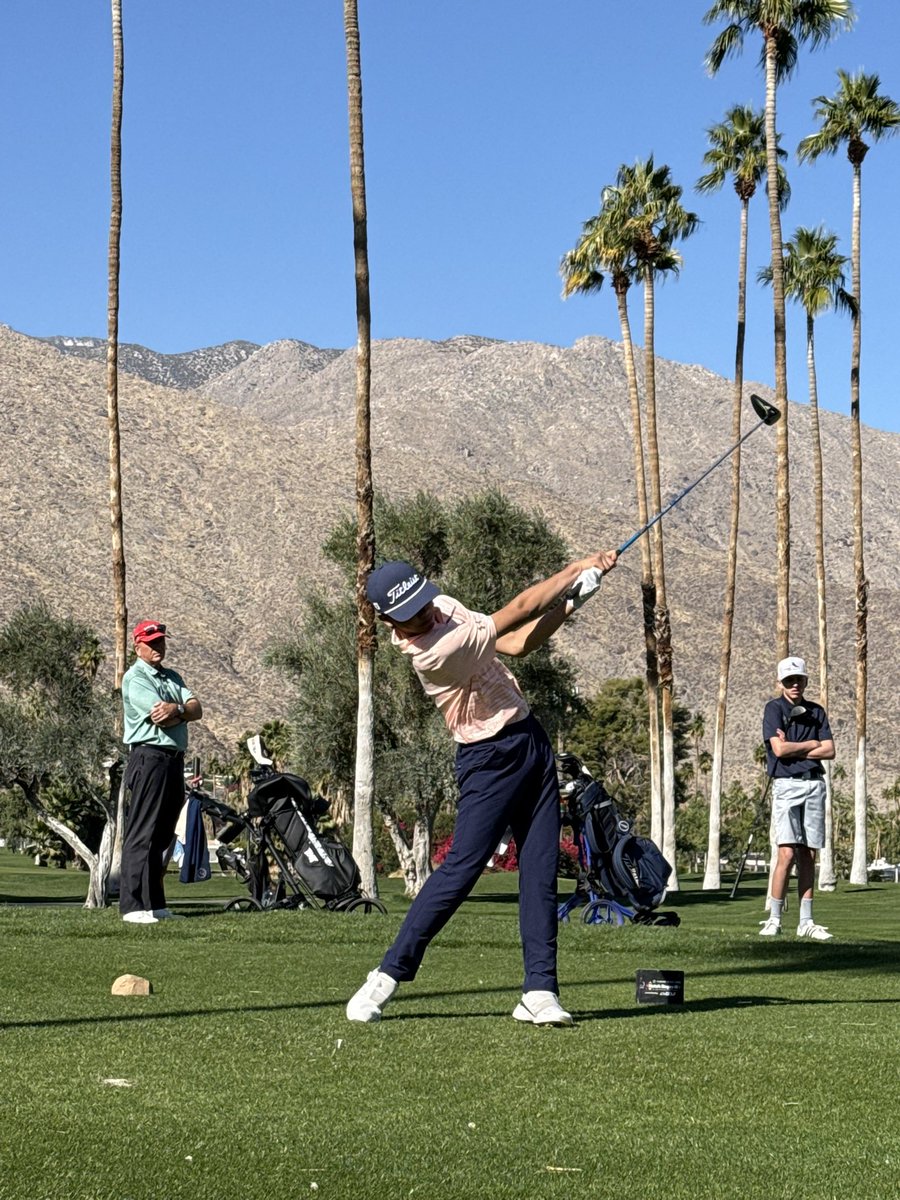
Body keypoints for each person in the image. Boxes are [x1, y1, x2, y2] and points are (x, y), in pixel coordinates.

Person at [346, 550, 618, 1024]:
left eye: (424, 601)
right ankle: (387, 974)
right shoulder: (433, 653)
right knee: (461, 870)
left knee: (539, 870)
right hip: (487, 759)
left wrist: (569, 605)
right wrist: (576, 571)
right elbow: (514, 612)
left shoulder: (444, 608)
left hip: (529, 740)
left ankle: (539, 990)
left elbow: (516, 645)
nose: (427, 613)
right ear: (392, 621)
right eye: (412, 614)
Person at [120, 619, 203, 924]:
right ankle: (133, 906)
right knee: (142, 831)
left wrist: (178, 709)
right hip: (149, 757)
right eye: (152, 642)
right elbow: (159, 716)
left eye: (161, 641)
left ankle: (155, 905)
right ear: (137, 645)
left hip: (172, 760)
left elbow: (195, 708)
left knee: (163, 833)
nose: (158, 646)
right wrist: (179, 711)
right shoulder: (136, 677)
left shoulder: (172, 676)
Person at [759, 655, 835, 941]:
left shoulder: (816, 711)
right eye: (789, 680)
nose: (794, 685)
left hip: (814, 784)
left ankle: (806, 921)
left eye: (798, 680)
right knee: (787, 852)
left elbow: (829, 750)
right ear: (781, 682)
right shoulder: (774, 709)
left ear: (805, 681)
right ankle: (774, 919)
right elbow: (778, 750)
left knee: (808, 853)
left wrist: (796, 748)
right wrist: (810, 744)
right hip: (786, 786)